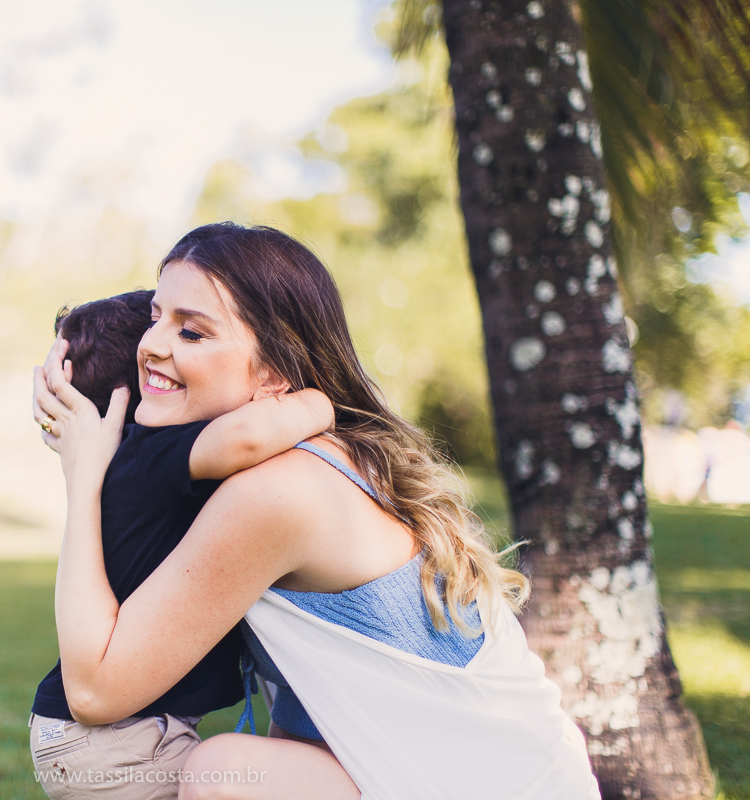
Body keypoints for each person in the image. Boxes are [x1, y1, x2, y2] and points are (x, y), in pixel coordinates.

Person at [33, 222, 601, 800]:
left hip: (490, 784)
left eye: (194, 333)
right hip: (512, 771)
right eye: (156, 317)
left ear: (274, 375)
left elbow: (95, 692)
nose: (151, 345)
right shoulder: (323, 452)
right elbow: (315, 708)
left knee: (222, 772)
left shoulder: (277, 491)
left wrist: (85, 481)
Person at [31, 289, 334, 800]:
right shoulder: (154, 454)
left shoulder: (117, 466)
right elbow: (243, 438)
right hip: (120, 741)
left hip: (81, 738)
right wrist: (319, 400)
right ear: (149, 384)